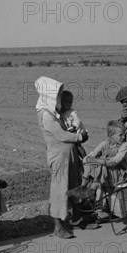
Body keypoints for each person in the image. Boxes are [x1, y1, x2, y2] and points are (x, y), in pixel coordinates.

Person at [35, 76, 88, 239]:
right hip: (59, 158)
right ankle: (58, 226)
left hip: (68, 156)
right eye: (57, 94)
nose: (59, 97)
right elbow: (61, 135)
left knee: (75, 184)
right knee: (59, 191)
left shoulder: (54, 111)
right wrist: (80, 138)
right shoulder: (45, 114)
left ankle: (77, 218)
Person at [80, 120, 127, 201]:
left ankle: (92, 190)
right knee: (92, 164)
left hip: (120, 174)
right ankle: (83, 186)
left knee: (102, 166)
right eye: (121, 135)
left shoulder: (124, 146)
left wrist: (101, 161)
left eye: (124, 134)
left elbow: (115, 161)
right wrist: (88, 159)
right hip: (108, 173)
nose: (123, 137)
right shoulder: (105, 143)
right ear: (111, 136)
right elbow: (92, 153)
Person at [59, 90, 87, 161]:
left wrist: (74, 126)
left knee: (78, 147)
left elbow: (77, 120)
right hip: (69, 132)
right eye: (66, 102)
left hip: (77, 132)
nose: (69, 104)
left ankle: (85, 159)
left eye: (70, 102)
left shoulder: (72, 112)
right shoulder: (61, 112)